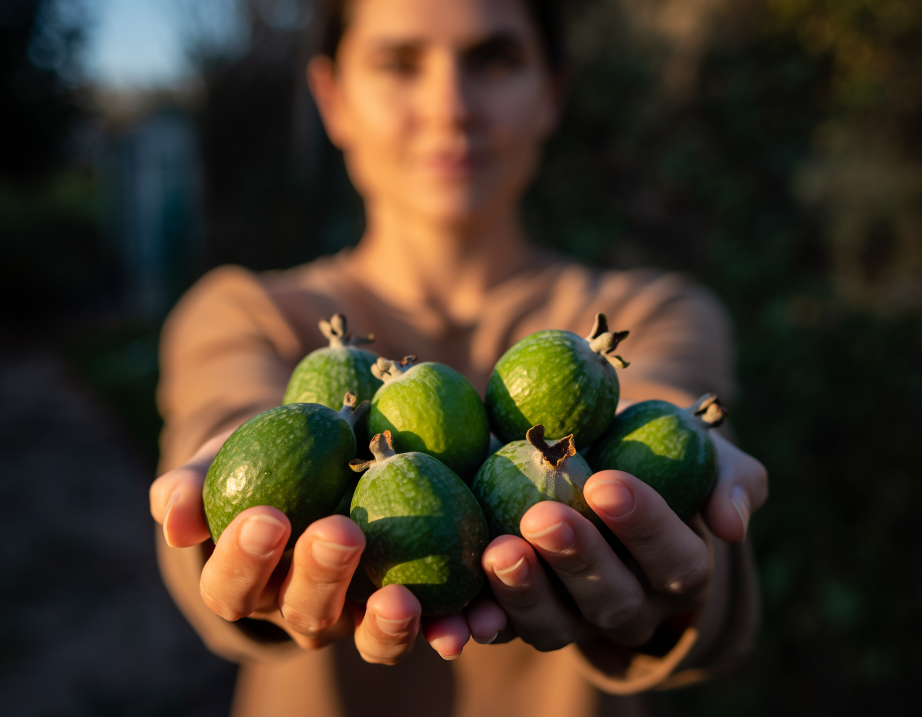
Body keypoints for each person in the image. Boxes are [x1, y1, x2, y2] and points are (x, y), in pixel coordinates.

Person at [148, 0, 768, 715]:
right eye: (398, 62)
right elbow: (224, 416)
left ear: (553, 93)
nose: (449, 106)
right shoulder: (238, 309)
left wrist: (675, 552)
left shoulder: (657, 311)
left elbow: (658, 400)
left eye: (494, 59)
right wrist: (225, 531)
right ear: (333, 99)